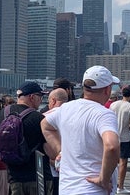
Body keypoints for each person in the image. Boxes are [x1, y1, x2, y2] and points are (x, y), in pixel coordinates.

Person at [41, 65, 120, 194]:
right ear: (107, 89)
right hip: (92, 189)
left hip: (67, 188)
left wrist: (60, 151)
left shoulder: (66, 108)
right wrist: (103, 179)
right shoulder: (104, 114)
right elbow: (112, 146)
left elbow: (45, 125)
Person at [109, 86, 130, 194]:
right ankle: (120, 187)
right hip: (124, 138)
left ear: (122, 93)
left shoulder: (113, 105)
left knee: (112, 162)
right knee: (123, 162)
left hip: (113, 136)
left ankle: (111, 183)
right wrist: (128, 126)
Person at [41, 88, 69, 195]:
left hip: (51, 171)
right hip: (71, 172)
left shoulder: (44, 117)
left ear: (52, 101)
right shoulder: (74, 115)